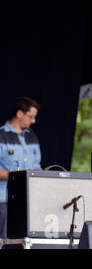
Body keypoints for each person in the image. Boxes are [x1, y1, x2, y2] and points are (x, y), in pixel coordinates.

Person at [0, 96, 42, 239]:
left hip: (29, 199)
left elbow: (37, 165)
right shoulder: (1, 135)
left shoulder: (32, 136)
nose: (33, 121)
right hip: (4, 199)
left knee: (26, 240)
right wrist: (20, 176)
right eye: (30, 116)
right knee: (6, 240)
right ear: (19, 114)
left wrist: (40, 174)